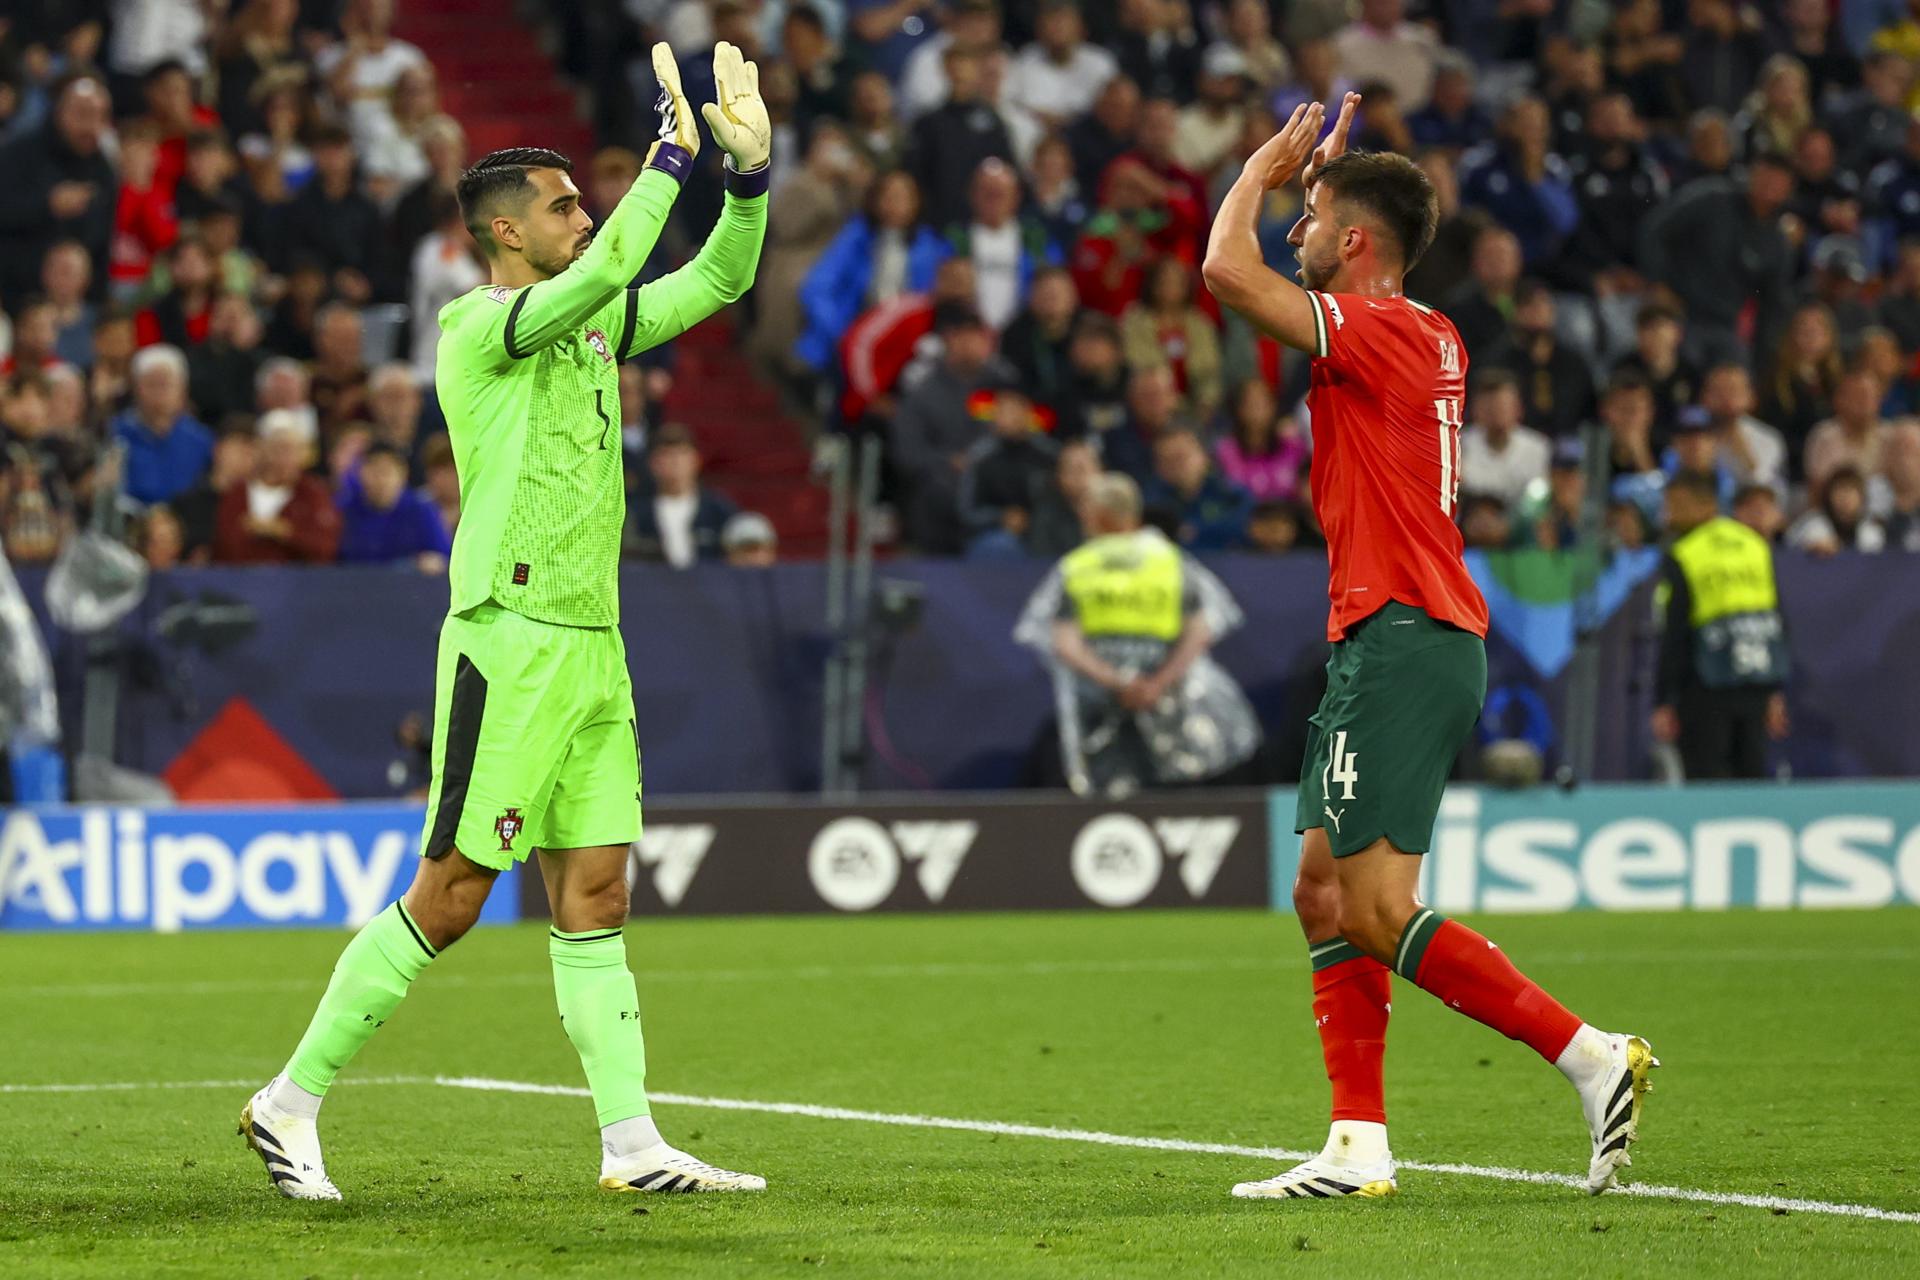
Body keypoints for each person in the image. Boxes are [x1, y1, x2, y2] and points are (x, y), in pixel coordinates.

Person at [237, 43, 770, 1202]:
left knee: (598, 892)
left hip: (593, 642)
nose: (586, 216)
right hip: (510, 634)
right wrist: (674, 153)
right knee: (455, 889)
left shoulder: (590, 328)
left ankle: (630, 1143)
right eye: (565, 204)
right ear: (505, 236)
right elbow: (626, 254)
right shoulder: (483, 329)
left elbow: (717, 284)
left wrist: (749, 180)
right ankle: (289, 1101)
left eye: (587, 198)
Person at [1203, 94, 1654, 1201]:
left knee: (1372, 906)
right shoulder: (1426, 328)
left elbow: (1224, 272)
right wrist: (1330, 187)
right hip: (1393, 632)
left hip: (1404, 634)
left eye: (1312, 221)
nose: (1295, 234)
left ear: (1355, 241)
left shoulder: (1386, 328)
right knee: (1321, 890)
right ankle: (1356, 1146)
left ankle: (1591, 1055)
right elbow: (1329, 261)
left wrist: (1266, 167)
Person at [1014, 472, 1261, 795]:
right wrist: (1155, 684)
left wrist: (1120, 683)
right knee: (1173, 794)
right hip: (1169, 700)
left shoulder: (1078, 566)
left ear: (1098, 515)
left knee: (1102, 797)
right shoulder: (1172, 562)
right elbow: (1201, 631)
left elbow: (1064, 642)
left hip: (1100, 702)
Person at [1652, 469, 1791, 780]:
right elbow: (1777, 621)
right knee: (1753, 776)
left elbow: (1674, 632)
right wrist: (1775, 690)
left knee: (1707, 780)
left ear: (1705, 504)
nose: (1668, 514)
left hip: (1704, 684)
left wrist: (1664, 699)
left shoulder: (1686, 553)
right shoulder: (1754, 546)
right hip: (1756, 678)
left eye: (1676, 504)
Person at [213, 412, 342, 564]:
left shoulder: (314, 494)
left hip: (300, 584)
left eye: (292, 450)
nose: (284, 458)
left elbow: (325, 548)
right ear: (262, 450)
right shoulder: (237, 493)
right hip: (240, 583)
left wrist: (284, 532)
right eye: (278, 448)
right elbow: (224, 545)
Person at [958, 373, 1059, 558]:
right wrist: (1001, 517)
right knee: (1000, 546)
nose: (1005, 417)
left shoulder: (1050, 455)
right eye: (1000, 410)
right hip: (996, 534)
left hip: (1047, 530)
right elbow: (967, 512)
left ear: (1026, 412)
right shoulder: (980, 458)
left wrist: (1035, 520)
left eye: (1012, 409)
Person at [112, 344, 213, 506]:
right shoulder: (115, 433)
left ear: (182, 390)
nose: (159, 393)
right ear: (135, 389)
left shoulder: (202, 440)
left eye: (166, 384)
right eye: (151, 384)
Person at [627, 423, 739, 567]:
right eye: (666, 455)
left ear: (696, 460)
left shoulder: (720, 510)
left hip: (710, 585)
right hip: (653, 585)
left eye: (682, 453)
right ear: (652, 463)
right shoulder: (636, 514)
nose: (675, 462)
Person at [337, 443, 451, 569]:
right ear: (361, 472)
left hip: (408, 586)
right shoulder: (345, 509)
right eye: (374, 471)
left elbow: (442, 558)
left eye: (386, 471)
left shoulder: (421, 510)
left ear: (403, 473)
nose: (380, 479)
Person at [1144, 425, 1253, 551]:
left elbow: (1246, 528)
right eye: (1166, 460)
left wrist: (1195, 531)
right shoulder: (1150, 503)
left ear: (1204, 456)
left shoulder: (1231, 495)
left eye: (1181, 457)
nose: (1175, 466)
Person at [1458, 370, 1549, 508]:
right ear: (1475, 410)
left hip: (1521, 525)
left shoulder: (1537, 448)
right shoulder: (1459, 445)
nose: (1495, 413)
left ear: (1518, 408)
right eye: (1488, 407)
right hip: (1470, 524)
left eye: (1501, 406)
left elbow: (1538, 503)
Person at [1787, 465, 1885, 554]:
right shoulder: (1813, 526)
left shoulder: (1871, 531)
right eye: (1840, 490)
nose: (1845, 498)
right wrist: (1812, 548)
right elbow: (1790, 550)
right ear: (1828, 496)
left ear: (1862, 498)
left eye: (1851, 490)